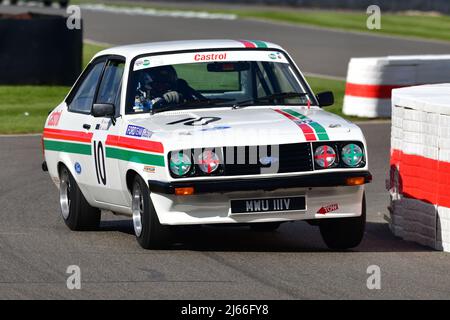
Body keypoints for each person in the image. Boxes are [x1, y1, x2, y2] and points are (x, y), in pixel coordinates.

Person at [132, 65, 204, 113]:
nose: (164, 87)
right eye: (158, 84)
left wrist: (181, 101)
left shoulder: (181, 93)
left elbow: (199, 106)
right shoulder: (133, 99)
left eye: (167, 84)